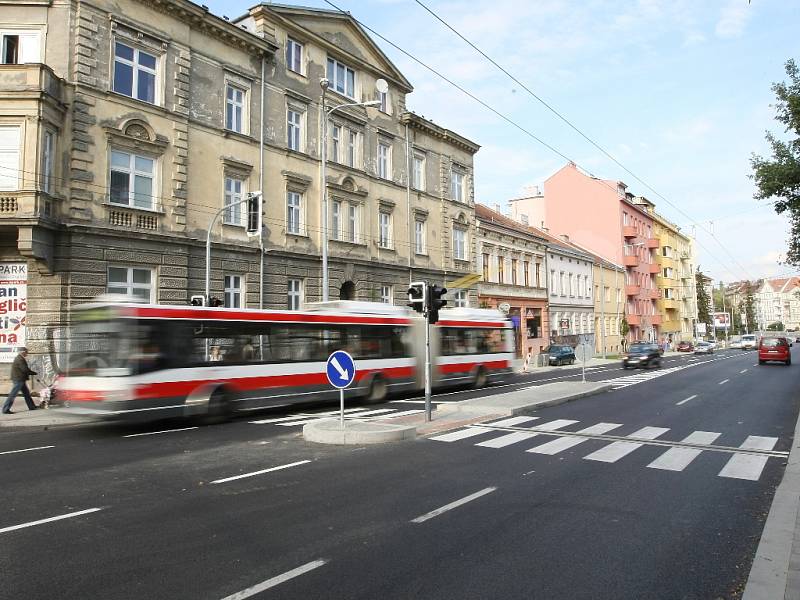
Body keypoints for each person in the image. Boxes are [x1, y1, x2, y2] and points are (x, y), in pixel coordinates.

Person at [3, 347, 38, 414]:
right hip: (19, 379)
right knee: (13, 395)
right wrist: (33, 373)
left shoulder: (20, 358)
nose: (27, 354)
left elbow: (24, 369)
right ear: (23, 352)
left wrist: (32, 372)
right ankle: (5, 409)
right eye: (26, 352)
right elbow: (24, 369)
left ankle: (31, 406)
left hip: (20, 379)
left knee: (26, 394)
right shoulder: (20, 359)